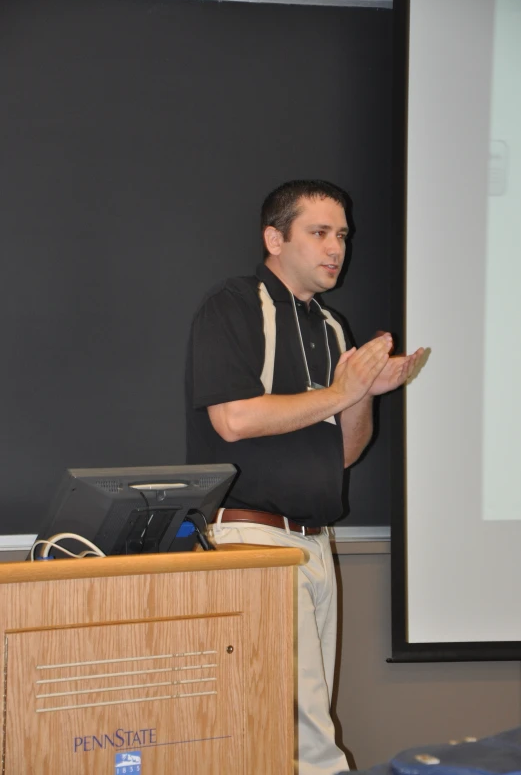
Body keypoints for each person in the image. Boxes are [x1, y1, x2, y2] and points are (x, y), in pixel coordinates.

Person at [185, 180, 423, 775]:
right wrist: (340, 391)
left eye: (341, 235)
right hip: (254, 540)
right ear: (274, 237)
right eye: (319, 233)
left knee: (289, 724)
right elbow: (234, 419)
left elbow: (345, 452)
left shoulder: (332, 326)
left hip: (316, 545)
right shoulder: (234, 304)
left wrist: (362, 393)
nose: (336, 248)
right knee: (306, 734)